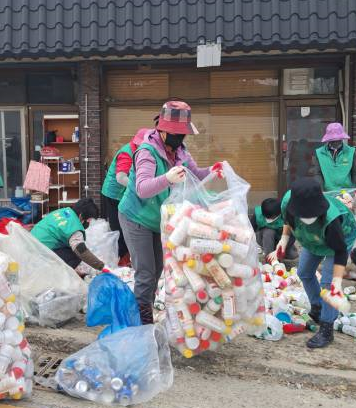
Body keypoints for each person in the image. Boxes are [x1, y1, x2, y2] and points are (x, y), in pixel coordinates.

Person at [118, 101, 221, 324]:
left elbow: (196, 174)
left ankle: (144, 308)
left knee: (156, 272)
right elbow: (143, 189)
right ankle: (142, 322)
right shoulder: (147, 152)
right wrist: (168, 178)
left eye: (182, 134)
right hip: (136, 216)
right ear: (162, 130)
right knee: (145, 272)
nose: (180, 138)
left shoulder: (180, 151)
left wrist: (213, 170)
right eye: (176, 134)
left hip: (159, 219)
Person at [273, 178, 356, 348]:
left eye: (311, 214)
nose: (307, 217)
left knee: (327, 284)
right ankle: (318, 307)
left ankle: (327, 329)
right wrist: (283, 239)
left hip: (337, 244)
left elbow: (340, 251)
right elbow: (287, 221)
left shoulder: (332, 221)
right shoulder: (288, 201)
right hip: (312, 240)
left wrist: (337, 281)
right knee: (303, 272)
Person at [101, 128, 150, 264]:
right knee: (119, 228)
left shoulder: (140, 152)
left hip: (123, 193)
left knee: (125, 227)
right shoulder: (127, 153)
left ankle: (124, 257)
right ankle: (119, 259)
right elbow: (120, 177)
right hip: (113, 194)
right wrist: (139, 187)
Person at [31, 198, 105, 271]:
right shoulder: (74, 227)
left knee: (70, 248)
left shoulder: (65, 211)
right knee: (76, 255)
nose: (89, 222)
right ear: (81, 215)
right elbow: (81, 251)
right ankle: (55, 274)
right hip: (40, 253)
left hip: (30, 243)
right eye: (89, 219)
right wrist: (101, 266)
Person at [313, 122, 356, 192]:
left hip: (347, 193)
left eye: (338, 140)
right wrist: (320, 192)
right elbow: (318, 174)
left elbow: (355, 174)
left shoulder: (350, 152)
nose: (335, 142)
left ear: (342, 138)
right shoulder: (319, 153)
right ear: (328, 140)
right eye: (332, 140)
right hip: (327, 193)